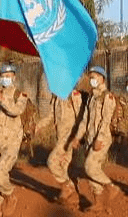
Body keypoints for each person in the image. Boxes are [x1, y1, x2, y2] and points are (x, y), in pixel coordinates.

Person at [34, 80, 88, 210]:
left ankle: (68, 186)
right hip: (60, 138)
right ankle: (71, 198)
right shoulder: (56, 97)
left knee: (51, 162)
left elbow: (81, 118)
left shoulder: (74, 96)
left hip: (69, 138)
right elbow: (51, 116)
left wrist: (78, 137)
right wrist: (38, 126)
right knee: (63, 165)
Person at [0, 64, 28, 217]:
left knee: (0, 174)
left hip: (11, 142)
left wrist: (2, 99)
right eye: (3, 76)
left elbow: (16, 110)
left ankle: (10, 195)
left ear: (14, 77)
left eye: (9, 75)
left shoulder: (20, 94)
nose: (6, 78)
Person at [82, 66, 121, 211]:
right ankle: (98, 202)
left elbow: (106, 119)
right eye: (90, 77)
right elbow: (85, 119)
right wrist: (78, 137)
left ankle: (111, 187)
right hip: (90, 137)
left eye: (95, 77)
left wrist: (100, 138)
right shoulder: (92, 97)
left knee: (90, 166)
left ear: (102, 78)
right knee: (93, 169)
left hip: (102, 138)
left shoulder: (107, 96)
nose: (92, 80)